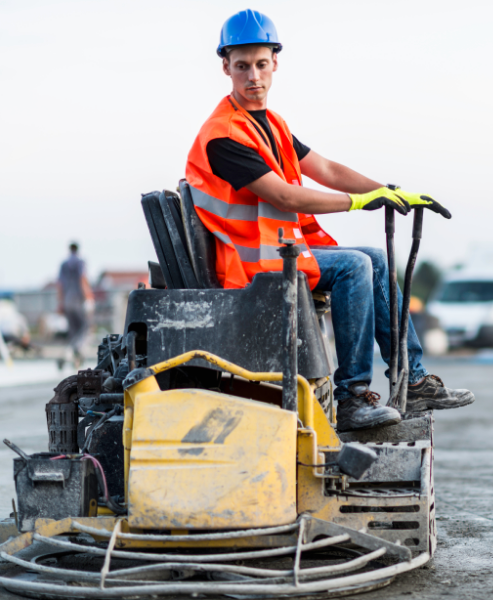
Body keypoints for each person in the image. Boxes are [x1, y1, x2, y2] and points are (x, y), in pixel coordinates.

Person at [185, 10, 475, 432]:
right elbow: (283, 195)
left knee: (373, 257)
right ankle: (352, 398)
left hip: (283, 253)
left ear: (275, 63)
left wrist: (389, 191)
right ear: (225, 67)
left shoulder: (271, 125)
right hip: (253, 267)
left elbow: (325, 169)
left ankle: (412, 380)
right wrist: (358, 202)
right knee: (355, 267)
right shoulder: (224, 135)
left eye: (261, 64)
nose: (253, 76)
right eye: (242, 66)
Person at [56, 242, 93, 370]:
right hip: (77, 299)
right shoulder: (80, 263)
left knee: (73, 330)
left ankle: (68, 354)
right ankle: (76, 350)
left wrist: (60, 303)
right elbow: (83, 279)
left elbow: (60, 285)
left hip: (66, 301)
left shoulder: (63, 264)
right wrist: (88, 298)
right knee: (84, 327)